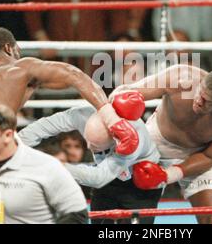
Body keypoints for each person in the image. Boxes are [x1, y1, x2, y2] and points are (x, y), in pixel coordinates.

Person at [0, 27, 140, 157]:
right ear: (9, 48)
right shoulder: (21, 68)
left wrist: (34, 84)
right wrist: (112, 120)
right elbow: (74, 75)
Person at [111, 64, 212, 224]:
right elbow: (123, 92)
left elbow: (209, 157)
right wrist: (120, 118)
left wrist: (168, 175)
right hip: (156, 140)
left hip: (201, 153)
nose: (199, 101)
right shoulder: (181, 78)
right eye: (200, 92)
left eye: (207, 101)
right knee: (131, 215)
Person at [18, 91, 162, 224]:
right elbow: (44, 126)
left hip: (140, 185)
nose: (88, 147)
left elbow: (98, 178)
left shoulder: (132, 140)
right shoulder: (83, 115)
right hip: (108, 183)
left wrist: (52, 166)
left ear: (115, 140)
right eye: (88, 140)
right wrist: (15, 145)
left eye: (96, 146)